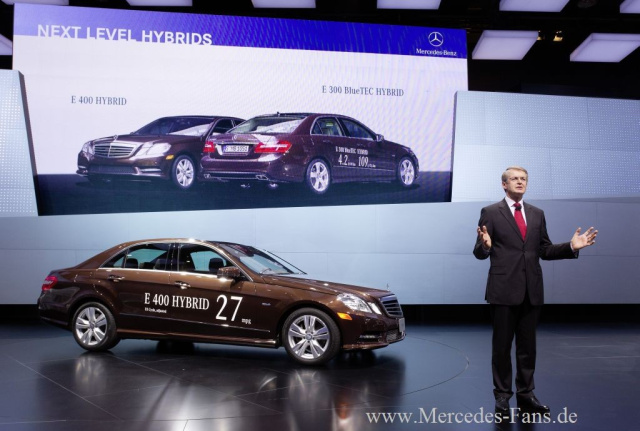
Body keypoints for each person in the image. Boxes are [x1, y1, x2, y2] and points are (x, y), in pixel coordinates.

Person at [473, 166, 597, 417]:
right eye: (514, 179)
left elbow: (544, 250)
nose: (520, 182)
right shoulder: (490, 212)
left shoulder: (537, 214)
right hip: (503, 290)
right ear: (504, 184)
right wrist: (485, 246)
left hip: (532, 290)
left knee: (528, 348)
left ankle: (526, 394)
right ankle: (502, 396)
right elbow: (479, 251)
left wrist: (571, 247)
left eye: (523, 179)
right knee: (501, 348)